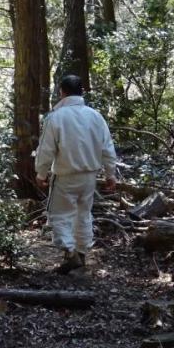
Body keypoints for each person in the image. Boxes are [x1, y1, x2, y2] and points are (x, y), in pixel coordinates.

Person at [35, 75, 117, 274]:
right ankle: (80, 253)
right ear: (82, 92)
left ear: (62, 92)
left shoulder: (56, 118)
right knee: (83, 214)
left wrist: (41, 173)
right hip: (89, 177)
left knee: (60, 215)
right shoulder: (95, 116)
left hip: (65, 176)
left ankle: (71, 255)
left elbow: (46, 149)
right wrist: (110, 174)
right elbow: (107, 147)